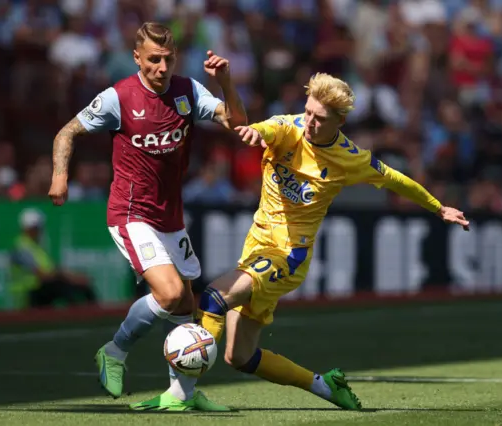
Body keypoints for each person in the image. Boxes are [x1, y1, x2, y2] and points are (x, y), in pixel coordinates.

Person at [191, 73, 470, 410]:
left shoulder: (348, 158)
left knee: (215, 297)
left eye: (319, 118)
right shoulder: (289, 127)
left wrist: (438, 208)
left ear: (340, 121)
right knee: (239, 356)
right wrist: (254, 131)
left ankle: (185, 389)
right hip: (255, 249)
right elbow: (266, 128)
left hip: (287, 257)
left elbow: (395, 180)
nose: (309, 122)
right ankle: (325, 386)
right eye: (307, 112)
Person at [47, 22, 247, 411]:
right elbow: (65, 133)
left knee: (186, 303)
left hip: (170, 215)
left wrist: (226, 81)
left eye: (168, 59)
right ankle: (115, 350)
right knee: (170, 293)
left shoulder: (188, 91)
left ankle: (182, 395)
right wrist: (59, 176)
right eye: (153, 59)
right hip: (129, 212)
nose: (161, 67)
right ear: (137, 57)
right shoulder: (118, 97)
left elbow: (236, 122)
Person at [9, 208, 96, 308]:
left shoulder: (37, 247)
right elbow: (42, 275)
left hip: (41, 288)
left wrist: (75, 278)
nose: (39, 231)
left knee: (83, 288)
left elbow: (53, 269)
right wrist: (66, 278)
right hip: (29, 293)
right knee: (64, 289)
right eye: (35, 228)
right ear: (26, 229)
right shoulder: (21, 248)